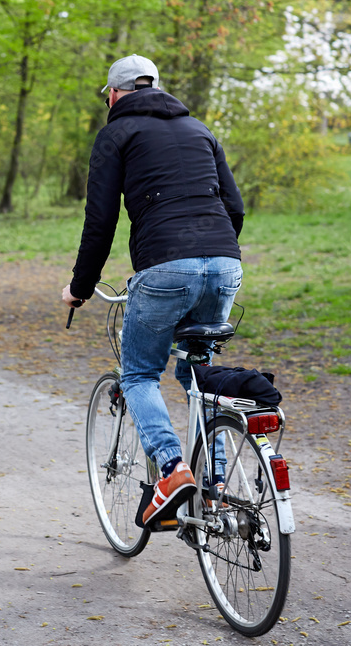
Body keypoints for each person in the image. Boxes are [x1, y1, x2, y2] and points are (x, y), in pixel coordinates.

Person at [61, 54, 244, 526]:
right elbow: (235, 207)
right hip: (225, 262)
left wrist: (79, 288)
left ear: (115, 94)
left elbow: (99, 222)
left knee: (140, 373)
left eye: (108, 96)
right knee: (198, 374)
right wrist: (207, 261)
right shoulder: (201, 130)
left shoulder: (115, 134)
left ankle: (172, 470)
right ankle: (217, 488)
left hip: (164, 268)